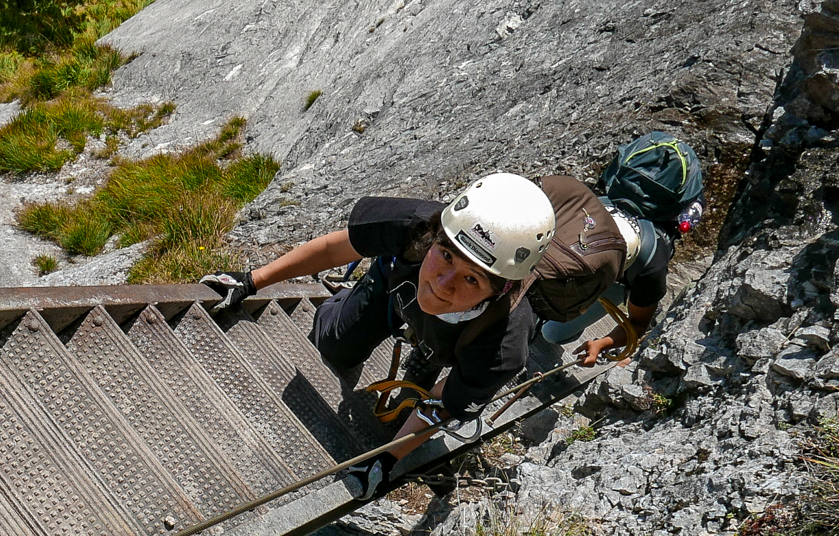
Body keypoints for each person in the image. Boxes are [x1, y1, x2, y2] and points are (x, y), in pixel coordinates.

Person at [200, 173, 557, 499]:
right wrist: (252, 280)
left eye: (471, 279)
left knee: (415, 395)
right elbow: (333, 249)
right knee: (333, 348)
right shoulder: (415, 226)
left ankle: (418, 361)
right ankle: (345, 304)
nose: (443, 284)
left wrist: (385, 461)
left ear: (499, 290)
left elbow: (446, 400)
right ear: (435, 237)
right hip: (390, 292)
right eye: (445, 255)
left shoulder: (503, 347)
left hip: (445, 340)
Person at [539, 131, 705, 366]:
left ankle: (566, 320)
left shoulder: (649, 266)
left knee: (552, 333)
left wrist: (601, 344)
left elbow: (637, 324)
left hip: (622, 277)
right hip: (621, 269)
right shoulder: (579, 217)